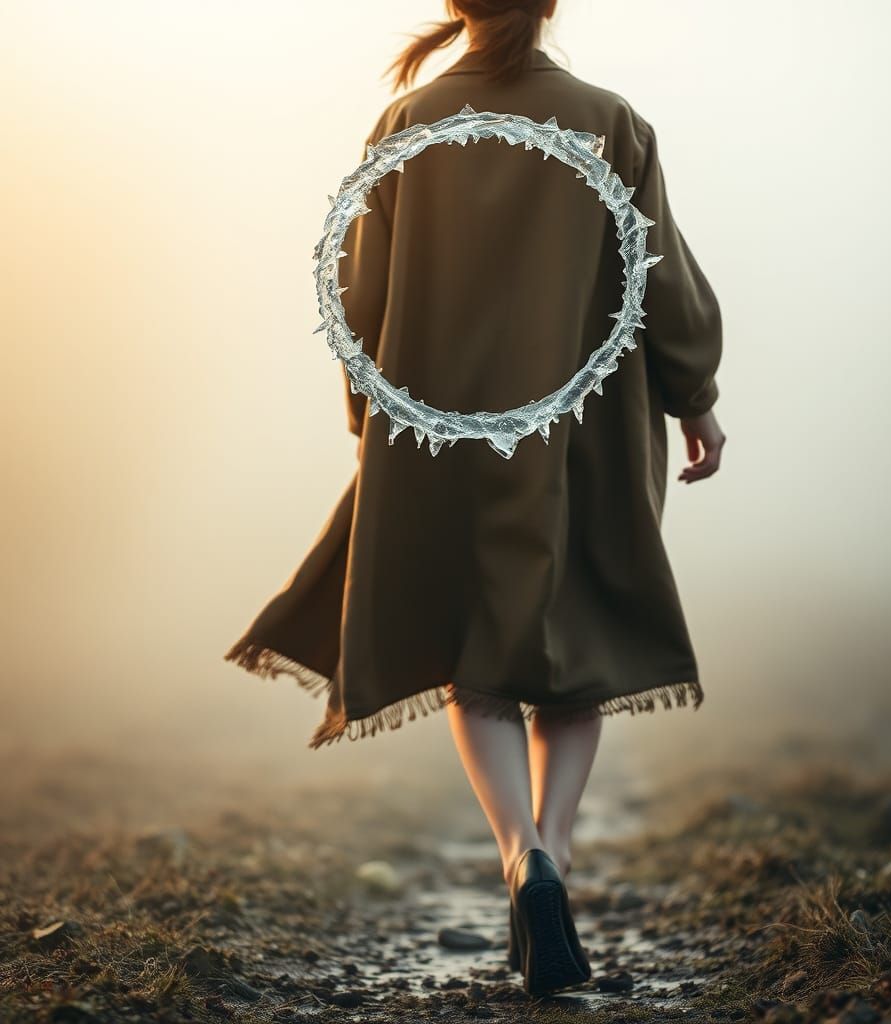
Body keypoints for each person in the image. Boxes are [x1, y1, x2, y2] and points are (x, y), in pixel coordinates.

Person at [224, 0, 726, 996]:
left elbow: (358, 303)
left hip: (440, 434)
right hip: (581, 433)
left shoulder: (407, 125)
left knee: (477, 657)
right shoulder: (610, 123)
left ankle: (516, 853)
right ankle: (559, 854)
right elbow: (660, 278)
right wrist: (694, 397)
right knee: (570, 639)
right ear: (549, 5)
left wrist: (375, 423)